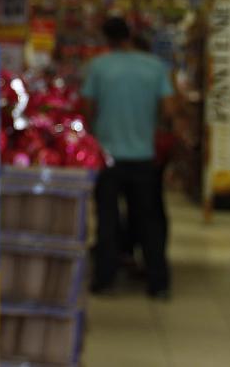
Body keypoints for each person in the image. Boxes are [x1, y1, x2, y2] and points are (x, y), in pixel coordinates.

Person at [82, 17, 175, 299]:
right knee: (148, 220)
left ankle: (104, 278)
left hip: (107, 156)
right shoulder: (154, 66)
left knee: (107, 219)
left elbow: (87, 108)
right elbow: (169, 110)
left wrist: (98, 129)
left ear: (105, 38)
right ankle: (158, 282)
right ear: (131, 34)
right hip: (143, 156)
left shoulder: (98, 67)